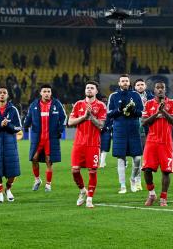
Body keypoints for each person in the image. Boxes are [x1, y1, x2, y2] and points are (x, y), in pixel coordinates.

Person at [68, 81, 107, 209]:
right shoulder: (78, 104)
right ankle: (82, 190)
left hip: (93, 144)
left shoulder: (101, 105)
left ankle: (89, 198)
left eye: (92, 88)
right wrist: (84, 117)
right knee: (75, 170)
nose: (89, 90)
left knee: (92, 171)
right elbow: (70, 122)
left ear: (96, 91)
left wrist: (91, 118)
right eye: (87, 88)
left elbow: (101, 125)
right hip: (79, 143)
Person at [141, 81, 173, 207]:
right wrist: (157, 113)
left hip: (166, 142)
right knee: (146, 169)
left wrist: (164, 112)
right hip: (151, 141)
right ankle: (151, 194)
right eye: (158, 87)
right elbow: (144, 122)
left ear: (165, 90)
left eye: (162, 87)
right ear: (154, 90)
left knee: (166, 171)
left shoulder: (172, 103)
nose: (160, 89)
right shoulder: (149, 104)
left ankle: (163, 197)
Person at [24, 84, 66, 192]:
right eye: (44, 91)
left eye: (48, 91)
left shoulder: (57, 104)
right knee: (34, 159)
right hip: (38, 138)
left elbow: (63, 117)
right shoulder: (34, 105)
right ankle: (37, 180)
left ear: (51, 93)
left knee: (49, 161)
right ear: (40, 93)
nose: (47, 93)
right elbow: (28, 117)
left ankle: (48, 184)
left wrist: (60, 129)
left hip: (50, 138)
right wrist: (25, 126)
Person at [107, 74, 144, 194]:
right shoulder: (113, 96)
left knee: (137, 158)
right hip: (119, 130)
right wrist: (118, 110)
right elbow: (109, 113)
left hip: (133, 129)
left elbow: (142, 112)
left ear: (129, 83)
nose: (124, 83)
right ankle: (122, 185)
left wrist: (134, 111)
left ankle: (133, 179)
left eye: (126, 81)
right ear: (119, 83)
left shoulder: (135, 95)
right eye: (122, 81)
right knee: (121, 159)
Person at [134, 78, 154, 151]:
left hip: (148, 122)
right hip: (136, 121)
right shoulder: (131, 97)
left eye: (142, 84)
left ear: (145, 86)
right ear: (135, 87)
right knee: (136, 146)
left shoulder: (152, 98)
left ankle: (147, 161)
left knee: (148, 146)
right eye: (138, 85)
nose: (140, 86)